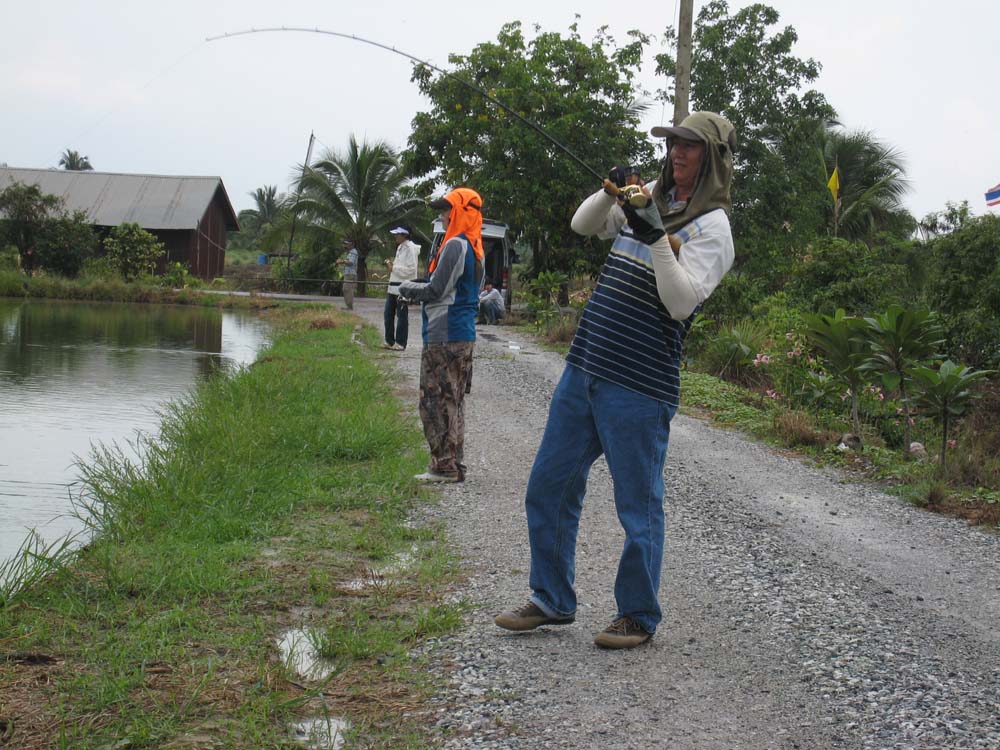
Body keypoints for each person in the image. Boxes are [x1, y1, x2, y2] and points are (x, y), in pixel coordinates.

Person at [495, 112, 737, 649]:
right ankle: (551, 599)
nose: (677, 153)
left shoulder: (714, 228)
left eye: (690, 147)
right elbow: (583, 226)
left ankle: (638, 614)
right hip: (587, 366)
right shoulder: (647, 193)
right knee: (549, 484)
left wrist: (654, 236)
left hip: (640, 383)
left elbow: (678, 305)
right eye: (673, 143)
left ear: (713, 157)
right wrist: (612, 194)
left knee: (637, 504)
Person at [399, 188, 485, 483]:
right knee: (455, 400)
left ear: (459, 212)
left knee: (433, 400)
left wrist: (406, 288)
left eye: (446, 209)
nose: (442, 215)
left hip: (444, 335)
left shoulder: (455, 246)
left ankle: (443, 466)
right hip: (463, 334)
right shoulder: (476, 248)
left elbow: (436, 290)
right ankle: (453, 463)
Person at [383, 225, 420, 350]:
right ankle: (389, 341)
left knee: (402, 315)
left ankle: (401, 343)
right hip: (393, 286)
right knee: (388, 314)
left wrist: (393, 268)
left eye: (398, 234)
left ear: (405, 235)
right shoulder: (400, 247)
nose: (395, 236)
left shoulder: (411, 248)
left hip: (403, 287)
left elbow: (411, 270)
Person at [335, 238, 358, 310]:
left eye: (346, 244)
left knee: (348, 289)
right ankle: (348, 306)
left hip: (350, 274)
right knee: (346, 289)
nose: (344, 245)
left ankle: (349, 306)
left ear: (351, 244)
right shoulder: (350, 252)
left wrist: (341, 261)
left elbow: (350, 262)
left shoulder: (353, 251)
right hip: (348, 273)